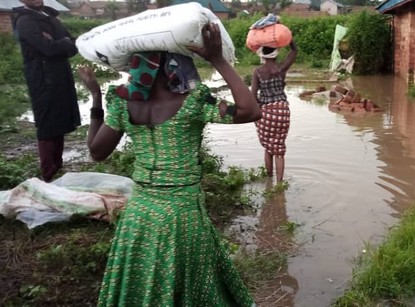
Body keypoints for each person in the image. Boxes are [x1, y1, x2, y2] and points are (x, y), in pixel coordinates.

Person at [77, 23, 260, 306]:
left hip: (138, 216)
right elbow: (251, 110)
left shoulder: (123, 105)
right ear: (173, 66)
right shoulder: (193, 103)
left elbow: (96, 152)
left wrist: (96, 97)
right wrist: (217, 59)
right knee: (188, 287)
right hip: (180, 217)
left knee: (143, 287)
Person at [13, 0, 81, 181]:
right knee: (47, 125)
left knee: (59, 123)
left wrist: (62, 42)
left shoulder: (50, 17)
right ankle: (48, 174)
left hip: (60, 78)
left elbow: (73, 45)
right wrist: (62, 43)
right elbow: (48, 49)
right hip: (42, 79)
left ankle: (58, 169)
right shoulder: (25, 21)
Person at [250, 40, 297, 183]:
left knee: (268, 147)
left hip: (266, 112)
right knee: (279, 149)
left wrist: (259, 111)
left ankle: (269, 181)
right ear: (276, 54)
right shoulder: (281, 69)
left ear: (262, 55)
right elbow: (294, 51)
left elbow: (253, 96)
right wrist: (288, 39)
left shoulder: (257, 72)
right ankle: (280, 185)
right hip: (282, 111)